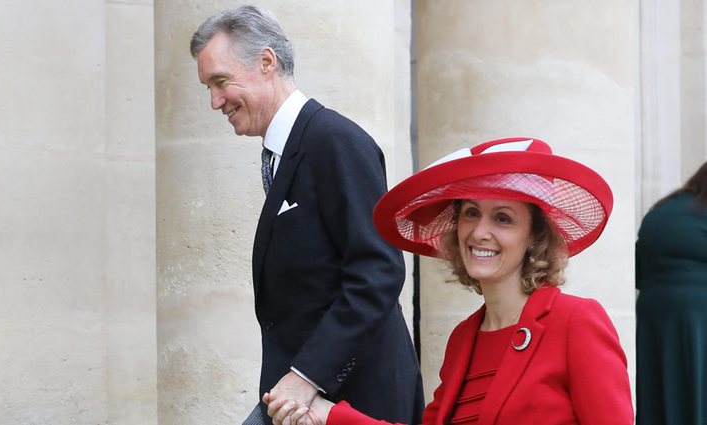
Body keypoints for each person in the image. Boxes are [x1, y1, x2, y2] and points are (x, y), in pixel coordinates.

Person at [268, 137, 634, 425]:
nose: (480, 231)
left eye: (503, 218)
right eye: (471, 213)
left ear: (535, 237)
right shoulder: (464, 339)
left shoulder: (576, 322)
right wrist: (326, 414)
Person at [189, 5, 424, 425]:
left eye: (221, 82)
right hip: (298, 399)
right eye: (208, 87)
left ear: (266, 62)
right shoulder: (287, 149)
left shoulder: (335, 141)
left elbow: (378, 271)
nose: (214, 101)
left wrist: (306, 374)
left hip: (354, 399)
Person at [635, 161, 707, 425]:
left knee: (661, 393)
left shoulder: (662, 210)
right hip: (698, 315)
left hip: (656, 315)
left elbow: (639, 266)